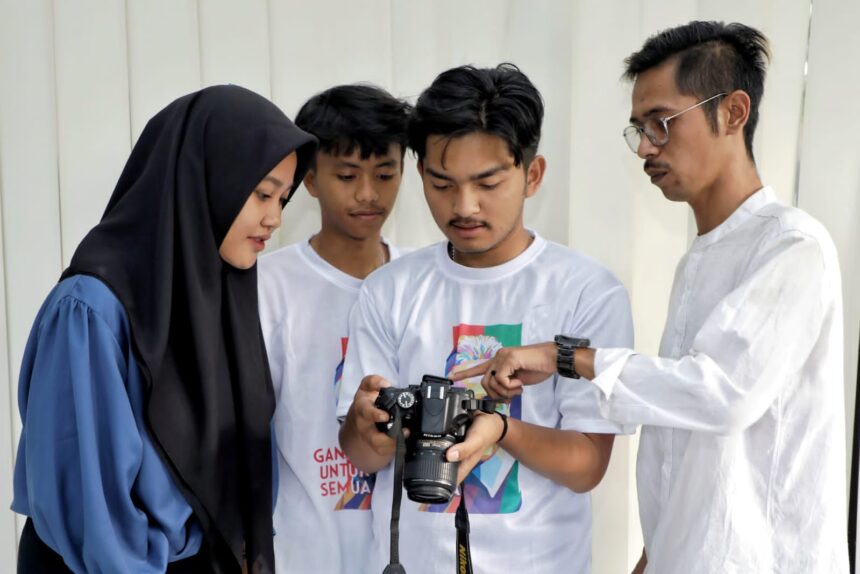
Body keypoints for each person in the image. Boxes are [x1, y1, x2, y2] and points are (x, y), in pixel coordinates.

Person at [457, 22, 849, 574]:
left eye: (662, 123)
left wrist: (568, 356)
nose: (645, 147)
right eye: (638, 128)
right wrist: (654, 554)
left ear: (733, 113)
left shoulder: (790, 246)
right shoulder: (700, 259)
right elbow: (685, 441)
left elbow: (721, 395)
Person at [337, 63, 634, 574]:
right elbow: (363, 458)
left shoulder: (586, 290)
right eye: (441, 184)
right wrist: (368, 429)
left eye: (487, 182)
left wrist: (498, 428)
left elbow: (587, 465)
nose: (464, 206)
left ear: (532, 175)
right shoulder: (389, 289)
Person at [11, 85, 317, 573]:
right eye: (262, 194)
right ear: (204, 180)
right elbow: (91, 517)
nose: (275, 218)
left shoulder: (220, 301)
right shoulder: (91, 310)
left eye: (284, 197)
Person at [257, 83, 411, 573]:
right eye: (347, 175)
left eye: (385, 174)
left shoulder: (422, 282)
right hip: (305, 554)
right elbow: (242, 432)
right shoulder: (267, 286)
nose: (368, 194)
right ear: (310, 179)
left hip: (411, 553)